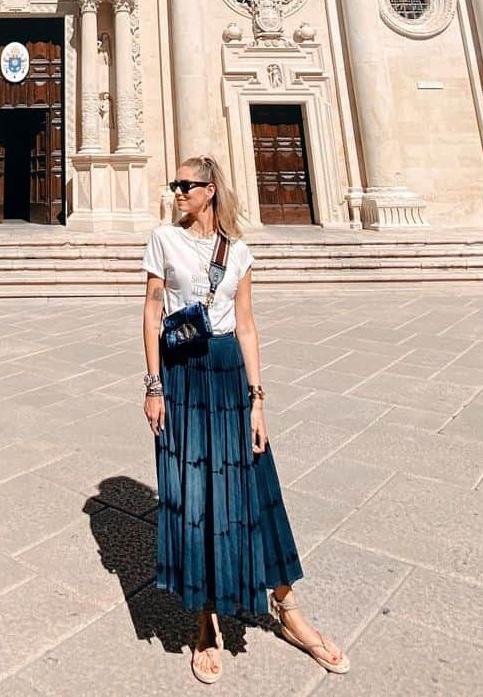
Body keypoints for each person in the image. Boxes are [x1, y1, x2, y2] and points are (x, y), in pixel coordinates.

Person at [142, 154, 349, 684]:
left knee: (254, 487)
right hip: (183, 376)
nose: (177, 191)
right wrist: (153, 385)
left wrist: (259, 399)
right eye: (176, 185)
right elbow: (150, 310)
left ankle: (286, 606)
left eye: (186, 185)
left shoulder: (239, 253)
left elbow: (250, 327)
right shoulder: (163, 240)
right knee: (192, 492)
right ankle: (204, 617)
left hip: (231, 374)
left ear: (210, 190)